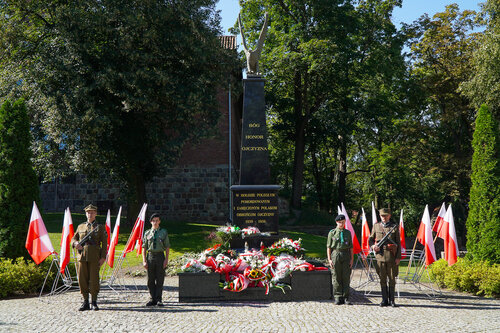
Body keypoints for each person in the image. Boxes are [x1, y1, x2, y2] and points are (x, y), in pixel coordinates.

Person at [71, 204, 107, 311]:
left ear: (95, 214)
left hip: (94, 256)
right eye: (88, 212)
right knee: (82, 279)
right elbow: (73, 239)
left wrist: (103, 257)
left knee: (94, 279)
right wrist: (76, 243)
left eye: (92, 212)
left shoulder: (100, 227)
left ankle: (94, 301)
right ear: (86, 214)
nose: (90, 214)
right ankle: (85, 301)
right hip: (82, 256)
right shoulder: (80, 226)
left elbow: (104, 244)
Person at [369, 208, 401, 307]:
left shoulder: (394, 227)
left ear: (389, 216)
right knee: (382, 278)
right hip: (380, 256)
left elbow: (398, 244)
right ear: (380, 216)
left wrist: (398, 257)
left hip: (391, 256)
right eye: (382, 216)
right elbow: (370, 239)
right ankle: (384, 300)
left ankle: (392, 300)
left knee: (392, 279)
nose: (384, 217)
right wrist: (373, 246)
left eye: (386, 215)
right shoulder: (376, 226)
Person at [142, 213, 170, 306]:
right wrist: (144, 260)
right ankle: (152, 298)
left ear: (159, 221)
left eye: (157, 220)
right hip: (150, 256)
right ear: (151, 222)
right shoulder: (147, 233)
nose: (155, 222)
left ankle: (159, 299)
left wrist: (166, 259)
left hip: (160, 256)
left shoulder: (163, 232)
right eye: (153, 221)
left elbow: (167, 247)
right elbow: (144, 248)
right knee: (150, 279)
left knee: (160, 278)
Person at [327, 214, 354, 305]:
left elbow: (351, 247)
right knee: (336, 276)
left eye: (342, 222)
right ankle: (338, 297)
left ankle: (346, 297)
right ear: (336, 222)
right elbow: (329, 247)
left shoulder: (348, 233)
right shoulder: (332, 233)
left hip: (346, 254)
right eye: (339, 222)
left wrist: (351, 259)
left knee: (346, 276)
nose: (341, 224)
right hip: (336, 254)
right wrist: (329, 259)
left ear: (344, 222)